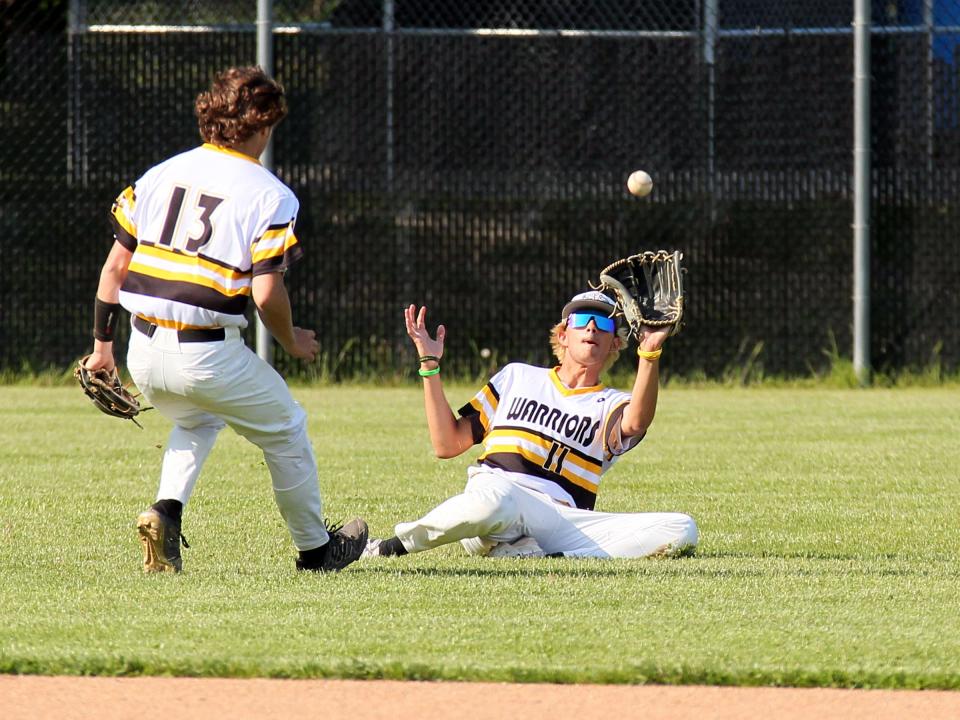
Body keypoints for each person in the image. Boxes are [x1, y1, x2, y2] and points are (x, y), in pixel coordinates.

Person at [82, 66, 367, 573]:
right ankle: (316, 549)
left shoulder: (160, 173)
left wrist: (103, 347)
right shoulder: (270, 193)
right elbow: (266, 290)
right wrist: (292, 341)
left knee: (196, 418)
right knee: (287, 429)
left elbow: (115, 267)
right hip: (208, 353)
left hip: (142, 350)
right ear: (262, 126)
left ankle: (165, 512)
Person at [362, 291, 698, 560]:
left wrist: (650, 352)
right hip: (496, 494)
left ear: (616, 343)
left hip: (558, 520)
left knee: (681, 528)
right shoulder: (517, 376)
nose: (592, 328)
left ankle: (538, 553)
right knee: (497, 501)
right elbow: (448, 444)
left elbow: (636, 421)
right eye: (581, 320)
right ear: (563, 335)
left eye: (603, 323)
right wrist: (430, 365)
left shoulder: (611, 402)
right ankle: (387, 547)